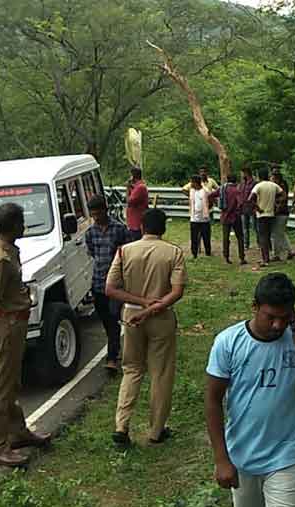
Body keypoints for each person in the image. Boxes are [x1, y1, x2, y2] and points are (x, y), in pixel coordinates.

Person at [205, 273, 295, 507]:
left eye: (285, 318)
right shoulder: (228, 342)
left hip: (284, 456)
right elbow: (212, 400)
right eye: (270, 316)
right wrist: (221, 458)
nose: (277, 325)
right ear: (254, 307)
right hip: (241, 455)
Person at [0, 203, 50, 467]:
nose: (24, 226)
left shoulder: (3, 251)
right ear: (13, 226)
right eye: (21, 222)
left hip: (14, 324)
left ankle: (17, 432)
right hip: (5, 326)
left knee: (11, 384)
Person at [106, 208, 187, 447]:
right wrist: (151, 308)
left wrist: (140, 305)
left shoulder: (125, 251)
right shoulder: (173, 253)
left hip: (131, 315)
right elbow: (176, 291)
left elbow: (110, 289)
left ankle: (121, 425)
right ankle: (156, 430)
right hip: (161, 316)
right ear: (163, 229)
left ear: (142, 227)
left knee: (131, 369)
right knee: (160, 374)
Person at [85, 195, 130, 371]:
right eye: (93, 214)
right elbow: (92, 253)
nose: (96, 217)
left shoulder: (119, 229)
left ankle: (112, 357)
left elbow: (127, 253)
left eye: (98, 213)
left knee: (113, 317)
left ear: (105, 210)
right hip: (98, 283)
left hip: (116, 284)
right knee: (105, 320)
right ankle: (115, 347)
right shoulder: (90, 233)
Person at [249, 169, 284, 268]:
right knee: (268, 236)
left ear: (259, 176)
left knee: (263, 237)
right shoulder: (273, 185)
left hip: (262, 215)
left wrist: (257, 208)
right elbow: (283, 195)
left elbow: (250, 199)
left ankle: (265, 259)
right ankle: (267, 257)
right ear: (268, 176)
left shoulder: (258, 186)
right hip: (271, 214)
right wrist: (278, 205)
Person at [210, 173, 247, 265]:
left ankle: (226, 256)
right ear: (236, 180)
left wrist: (217, 203)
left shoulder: (222, 189)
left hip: (225, 216)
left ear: (227, 180)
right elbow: (240, 203)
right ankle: (242, 257)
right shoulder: (237, 190)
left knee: (226, 238)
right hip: (235, 217)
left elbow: (211, 195)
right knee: (240, 237)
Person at [186, 175, 213, 258]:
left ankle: (208, 252)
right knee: (194, 237)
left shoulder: (205, 190)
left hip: (204, 218)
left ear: (195, 182)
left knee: (206, 237)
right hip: (194, 218)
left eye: (192, 182)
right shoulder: (192, 191)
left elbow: (211, 200)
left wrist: (207, 209)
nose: (191, 184)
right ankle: (194, 253)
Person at [270, 172, 294, 262]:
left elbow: (283, 199)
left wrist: (275, 204)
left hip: (280, 213)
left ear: (276, 179)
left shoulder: (280, 187)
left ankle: (276, 254)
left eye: (272, 178)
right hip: (281, 213)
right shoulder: (280, 186)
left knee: (276, 234)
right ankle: (289, 251)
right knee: (280, 233)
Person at [126, 167, 149, 242]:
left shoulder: (140, 187)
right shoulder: (137, 187)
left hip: (136, 223)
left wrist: (127, 188)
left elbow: (129, 201)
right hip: (134, 222)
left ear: (133, 176)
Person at [239, 167, 257, 250]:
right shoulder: (242, 183)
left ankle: (259, 243)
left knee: (255, 227)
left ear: (246, 173)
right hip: (243, 208)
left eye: (242, 173)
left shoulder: (254, 183)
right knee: (244, 228)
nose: (241, 175)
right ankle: (246, 244)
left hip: (252, 207)